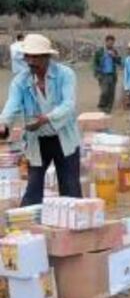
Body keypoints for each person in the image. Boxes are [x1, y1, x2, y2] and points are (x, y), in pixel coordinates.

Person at [0, 34, 81, 205]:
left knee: (70, 189)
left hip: (64, 138)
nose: (31, 61)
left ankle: (73, 228)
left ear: (47, 57)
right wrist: (3, 123)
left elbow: (69, 105)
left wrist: (46, 119)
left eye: (35, 57)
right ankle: (27, 227)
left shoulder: (65, 75)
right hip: (37, 140)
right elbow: (12, 105)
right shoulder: (21, 81)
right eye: (28, 56)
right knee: (33, 189)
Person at [93, 34, 122, 113]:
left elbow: (119, 62)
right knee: (104, 91)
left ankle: (109, 108)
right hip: (103, 75)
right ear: (106, 42)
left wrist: (114, 56)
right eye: (109, 42)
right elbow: (95, 63)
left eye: (112, 43)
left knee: (111, 92)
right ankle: (102, 106)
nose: (111, 44)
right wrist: (97, 74)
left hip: (112, 75)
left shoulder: (114, 51)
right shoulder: (100, 51)